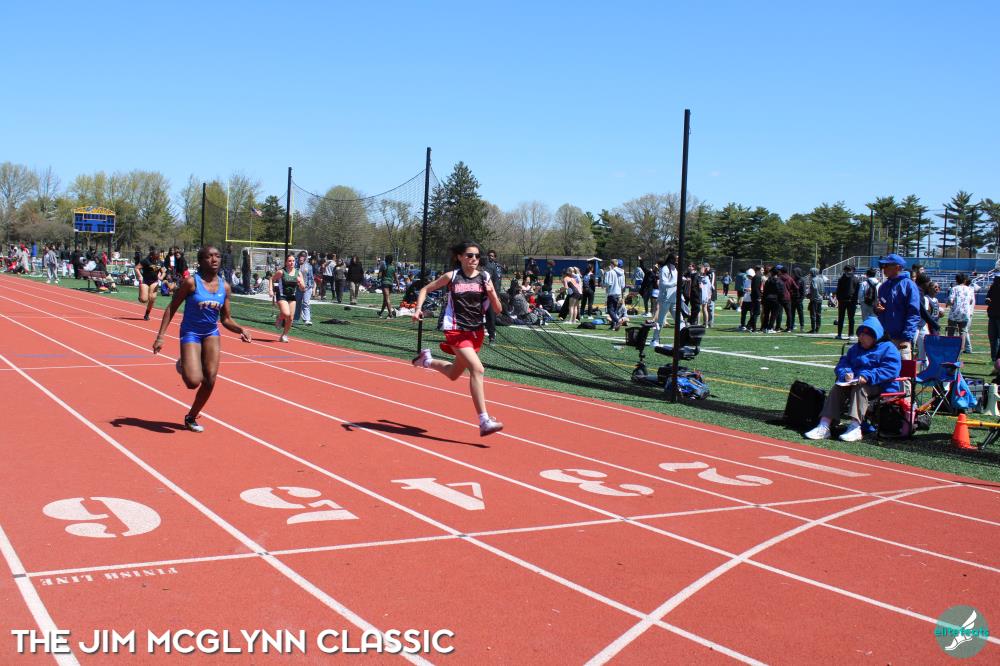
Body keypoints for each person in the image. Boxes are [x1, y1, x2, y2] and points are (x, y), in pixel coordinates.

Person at [151, 245, 251, 432]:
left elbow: (226, 319)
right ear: (201, 261)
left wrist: (241, 330)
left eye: (217, 256)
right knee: (193, 382)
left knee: (210, 379)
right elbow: (171, 308)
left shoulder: (225, 287)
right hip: (191, 332)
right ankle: (184, 363)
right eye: (209, 256)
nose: (214, 259)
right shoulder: (191, 283)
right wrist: (160, 337)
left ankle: (191, 417)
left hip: (211, 333)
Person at [411, 240, 504, 436]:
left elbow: (498, 309)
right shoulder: (452, 276)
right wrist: (418, 309)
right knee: (477, 369)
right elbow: (425, 289)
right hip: (455, 329)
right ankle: (484, 421)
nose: (474, 259)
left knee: (453, 374)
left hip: (476, 331)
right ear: (460, 257)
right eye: (469, 255)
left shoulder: (485, 277)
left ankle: (426, 360)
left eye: (477, 256)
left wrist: (491, 293)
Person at [804, 316, 901, 442]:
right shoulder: (856, 348)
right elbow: (843, 364)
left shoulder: (889, 348)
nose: (860, 338)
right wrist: (846, 373)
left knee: (860, 388)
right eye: (860, 335)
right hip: (856, 383)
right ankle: (824, 425)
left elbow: (891, 370)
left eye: (864, 335)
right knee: (838, 387)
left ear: (874, 336)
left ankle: (855, 427)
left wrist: (867, 376)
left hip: (881, 386)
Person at [874, 254, 921, 393]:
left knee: (904, 372)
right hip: (885, 337)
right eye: (883, 266)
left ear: (898, 267)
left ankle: (906, 402)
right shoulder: (883, 286)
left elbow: (913, 313)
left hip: (901, 338)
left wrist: (906, 337)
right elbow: (881, 308)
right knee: (883, 369)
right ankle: (887, 400)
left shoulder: (909, 285)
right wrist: (877, 310)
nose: (883, 268)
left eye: (887, 266)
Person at [269, 254, 306, 343]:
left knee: (290, 318)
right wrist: (270, 290)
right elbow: (271, 279)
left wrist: (300, 283)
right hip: (282, 295)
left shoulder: (298, 273)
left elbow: (303, 289)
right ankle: (279, 317)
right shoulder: (281, 272)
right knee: (286, 313)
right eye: (289, 261)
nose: (292, 262)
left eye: (293, 261)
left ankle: (284, 335)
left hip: (292, 296)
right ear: (286, 262)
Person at [947, 273, 975, 354]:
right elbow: (971, 301)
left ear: (956, 280)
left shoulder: (954, 288)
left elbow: (951, 300)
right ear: (965, 280)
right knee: (963, 331)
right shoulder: (969, 289)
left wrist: (948, 303)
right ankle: (961, 349)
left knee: (951, 330)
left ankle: (950, 347)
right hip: (965, 312)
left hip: (954, 312)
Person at [136, 247, 165, 321]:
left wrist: (161, 277)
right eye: (155, 258)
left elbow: (164, 271)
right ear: (151, 256)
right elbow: (136, 268)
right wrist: (140, 276)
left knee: (152, 299)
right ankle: (140, 295)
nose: (156, 260)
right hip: (145, 281)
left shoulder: (160, 262)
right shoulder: (146, 261)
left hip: (154, 281)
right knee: (144, 300)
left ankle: (147, 314)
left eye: (157, 258)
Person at [835, 265, 859, 339]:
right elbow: (857, 291)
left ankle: (842, 334)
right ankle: (848, 334)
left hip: (846, 301)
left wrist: (839, 299)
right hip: (849, 301)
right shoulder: (855, 279)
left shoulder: (842, 279)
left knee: (845, 318)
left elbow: (838, 291)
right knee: (848, 318)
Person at [604, 259, 626, 331]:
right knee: (615, 311)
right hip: (619, 293)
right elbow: (623, 285)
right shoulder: (622, 273)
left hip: (612, 292)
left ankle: (617, 321)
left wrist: (604, 283)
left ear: (611, 264)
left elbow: (608, 283)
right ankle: (613, 326)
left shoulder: (610, 272)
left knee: (610, 310)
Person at [293, 251, 314, 325]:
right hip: (298, 287)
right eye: (300, 258)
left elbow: (311, 278)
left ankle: (307, 320)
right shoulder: (295, 266)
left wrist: (310, 287)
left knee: (305, 303)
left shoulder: (309, 266)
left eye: (303, 258)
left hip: (307, 288)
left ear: (305, 258)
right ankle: (296, 319)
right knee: (298, 303)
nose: (301, 259)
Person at [377, 254, 397, 318]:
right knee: (385, 300)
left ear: (386, 260)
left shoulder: (384, 267)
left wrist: (380, 271)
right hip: (391, 284)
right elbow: (396, 277)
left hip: (385, 283)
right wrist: (398, 286)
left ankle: (390, 314)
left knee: (387, 299)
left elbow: (379, 276)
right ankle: (381, 312)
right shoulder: (393, 267)